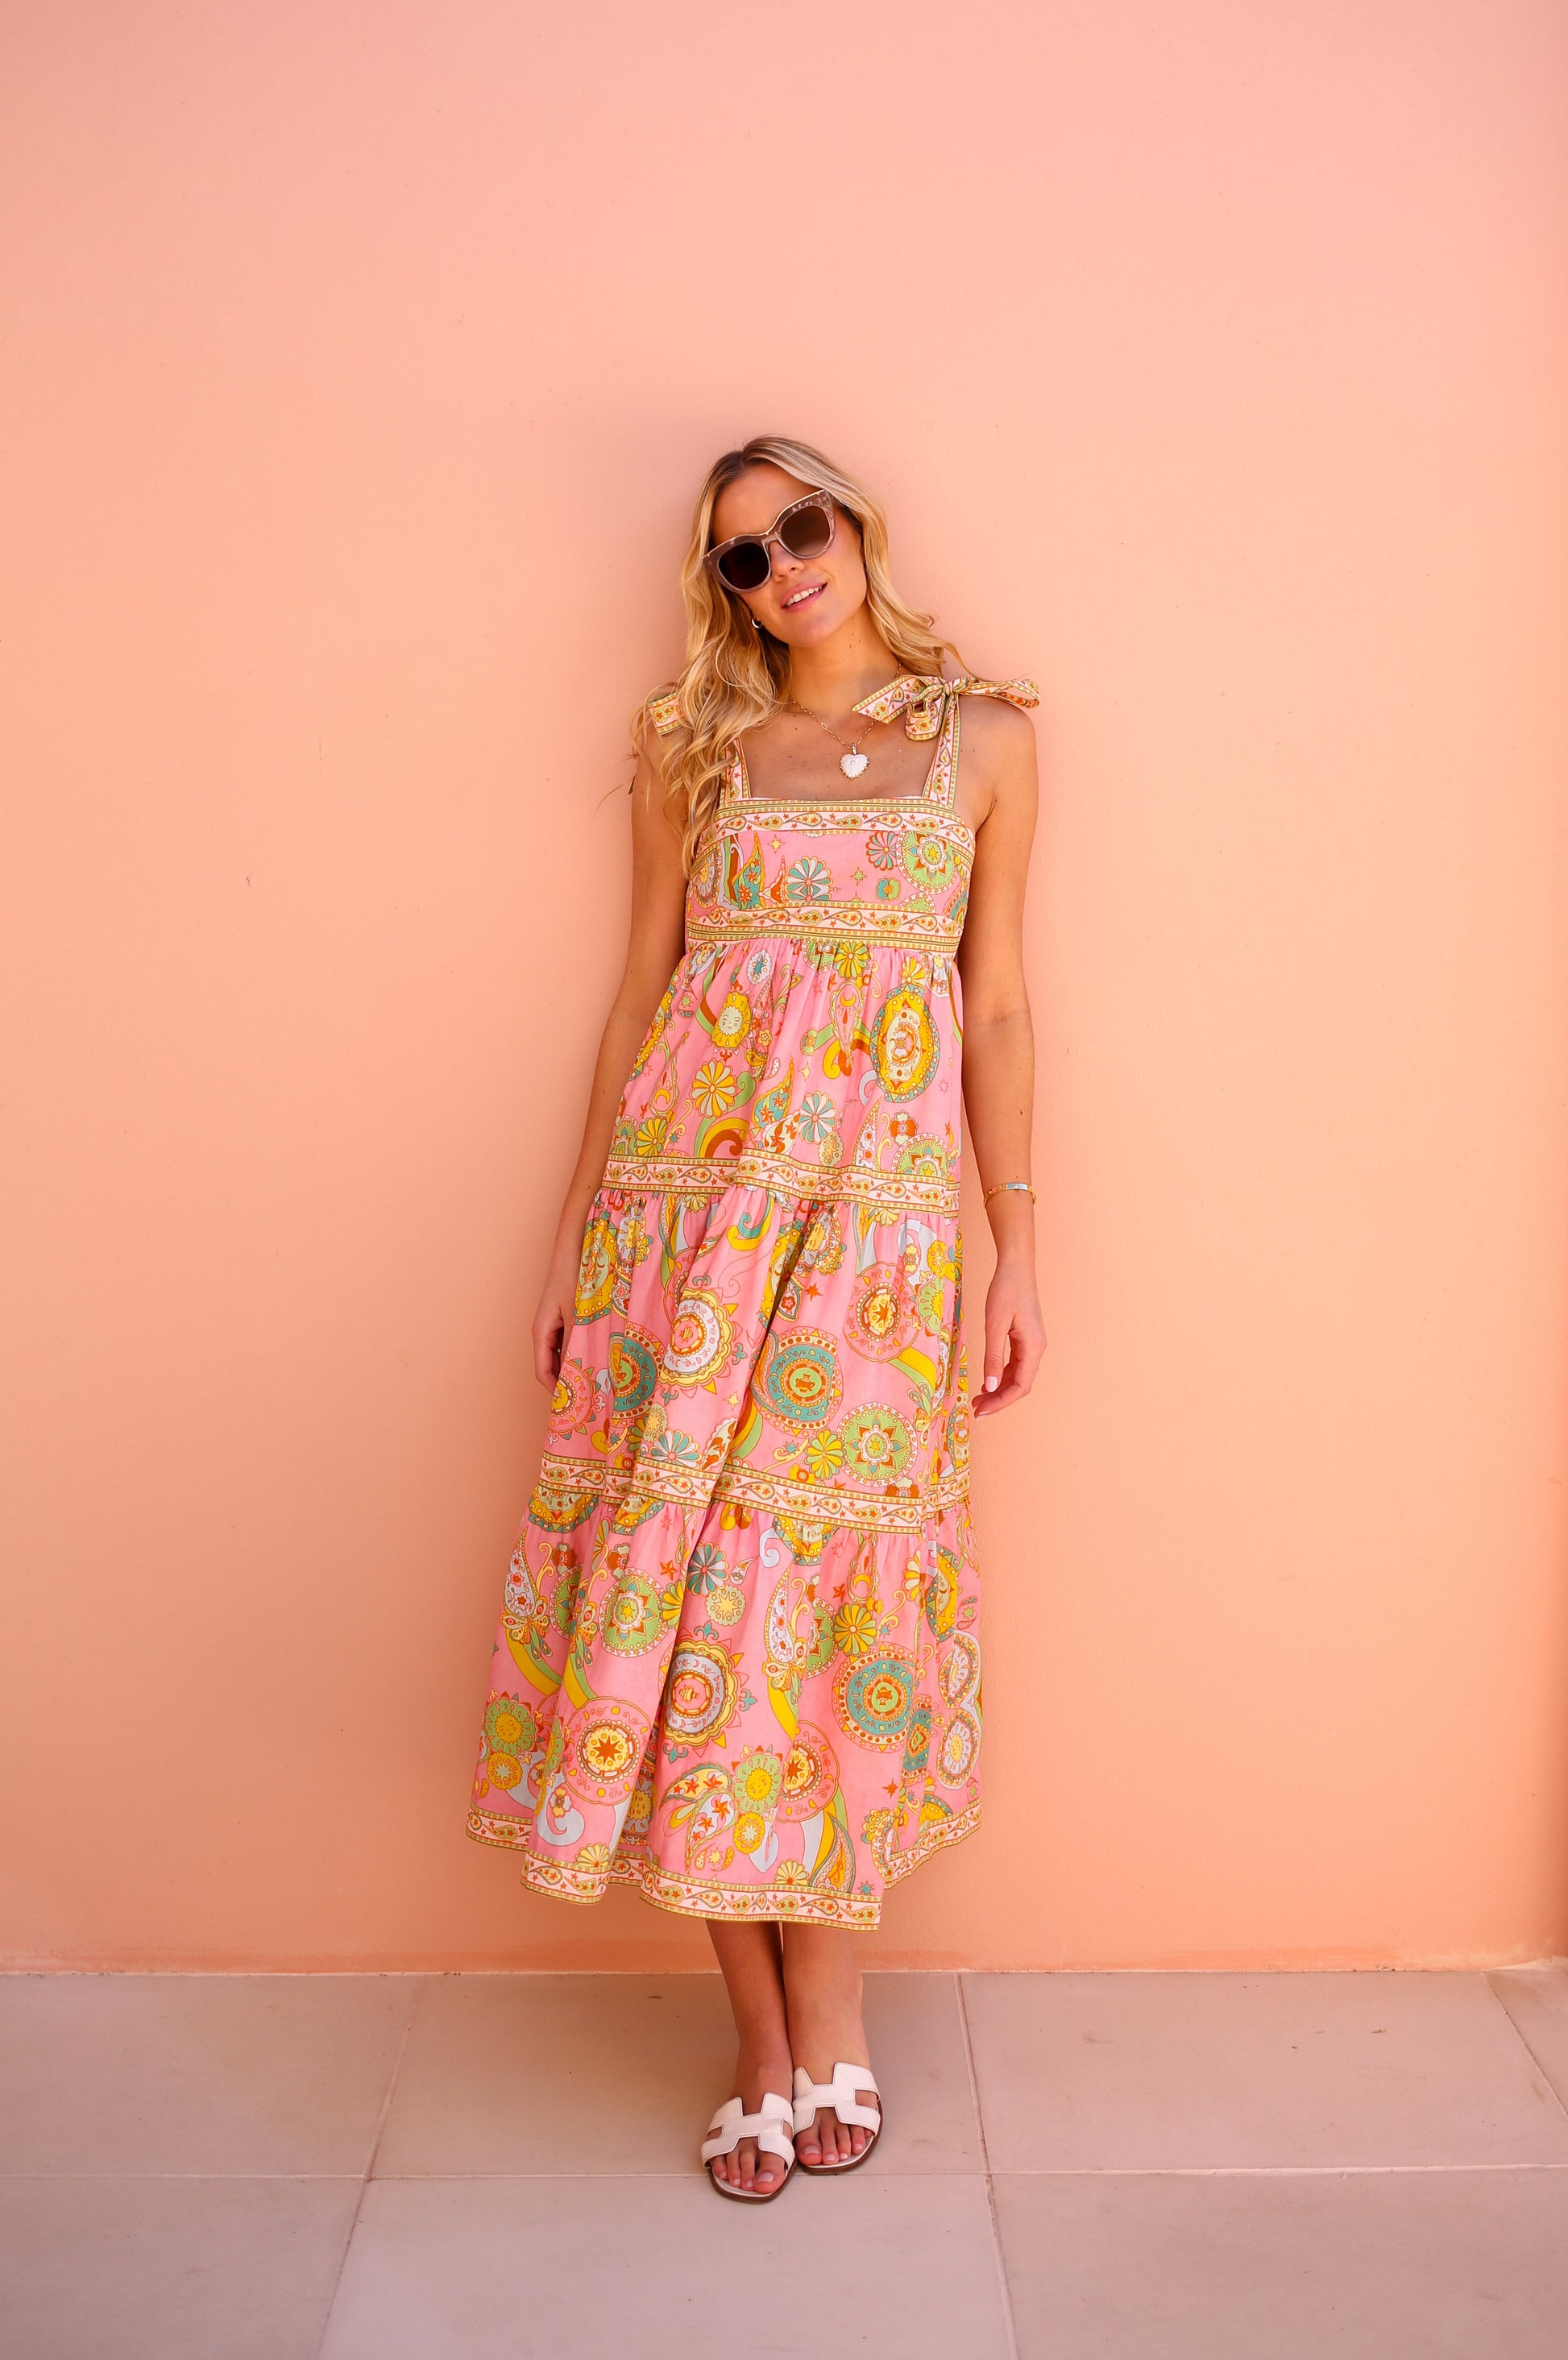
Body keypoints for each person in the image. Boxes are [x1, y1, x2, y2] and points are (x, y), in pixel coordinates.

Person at [467, 435, 1044, 2200]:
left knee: (819, 1609)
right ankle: (766, 2038)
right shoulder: (691, 752)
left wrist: (1012, 1244)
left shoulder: (991, 742)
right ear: (720, 591)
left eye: (800, 526)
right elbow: (641, 988)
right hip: (685, 1241)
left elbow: (999, 1004)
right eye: (740, 555)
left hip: (872, 1254)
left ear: (854, 529)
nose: (783, 565)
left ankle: (839, 2005)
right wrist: (577, 1230)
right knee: (688, 1594)